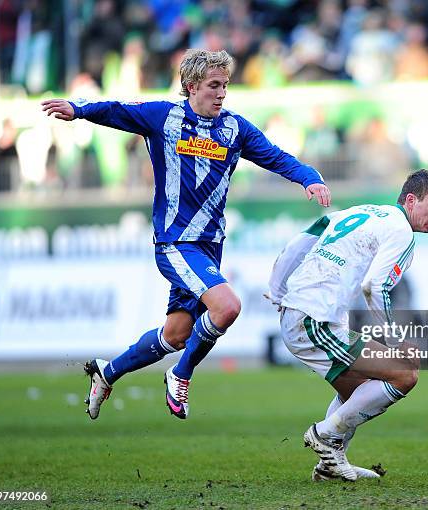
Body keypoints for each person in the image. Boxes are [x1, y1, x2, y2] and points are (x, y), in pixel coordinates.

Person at [42, 49, 331, 421]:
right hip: (176, 242)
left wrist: (309, 177)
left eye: (225, 85)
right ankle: (181, 374)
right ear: (191, 86)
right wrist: (78, 108)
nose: (222, 93)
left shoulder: (236, 128)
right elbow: (115, 110)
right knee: (227, 307)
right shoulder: (163, 117)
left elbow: (276, 156)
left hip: (211, 246)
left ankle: (106, 372)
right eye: (214, 85)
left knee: (176, 335)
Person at [267, 169, 428, 481]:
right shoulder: (402, 232)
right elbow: (374, 287)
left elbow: (302, 240)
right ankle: (324, 435)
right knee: (405, 373)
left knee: (361, 390)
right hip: (315, 320)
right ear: (410, 200)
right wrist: (395, 343)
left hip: (303, 315)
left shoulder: (361, 212)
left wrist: (278, 290)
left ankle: (330, 466)